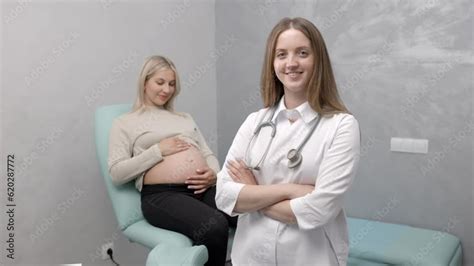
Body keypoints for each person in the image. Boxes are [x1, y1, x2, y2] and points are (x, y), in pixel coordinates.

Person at [215, 17, 360, 266]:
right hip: (251, 257)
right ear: (272, 63)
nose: (291, 63)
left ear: (318, 60)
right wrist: (291, 191)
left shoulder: (342, 126)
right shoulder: (255, 122)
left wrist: (253, 193)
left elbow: (319, 209)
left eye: (302, 53)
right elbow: (224, 196)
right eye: (281, 54)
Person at [108, 55, 236, 266]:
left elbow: (207, 154)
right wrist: (157, 150)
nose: (166, 90)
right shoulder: (125, 123)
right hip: (162, 195)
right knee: (214, 226)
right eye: (160, 82)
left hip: (202, 188)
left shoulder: (184, 118)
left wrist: (213, 175)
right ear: (145, 82)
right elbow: (116, 173)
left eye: (172, 84)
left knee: (245, 212)